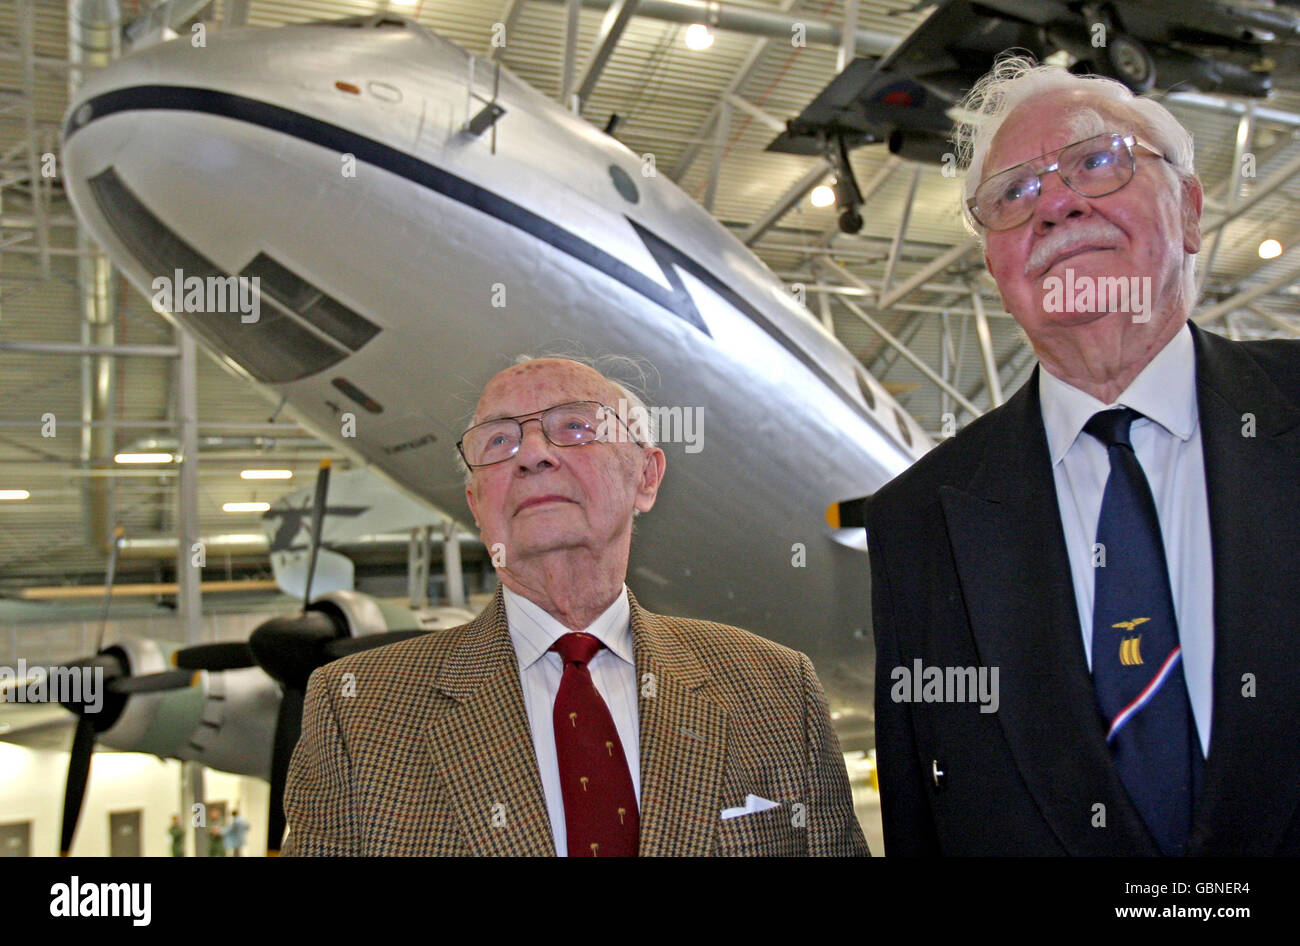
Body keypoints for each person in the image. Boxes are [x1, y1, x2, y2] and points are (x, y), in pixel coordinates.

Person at [866, 58, 1300, 856]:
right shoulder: (916, 523)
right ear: (995, 266)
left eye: (1098, 161)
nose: (1057, 204)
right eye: (1013, 194)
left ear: (1192, 210)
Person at [283, 357, 868, 856]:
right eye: (499, 441)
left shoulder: (778, 690)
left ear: (646, 476)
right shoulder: (354, 711)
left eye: (576, 427)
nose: (532, 454)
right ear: (477, 503)